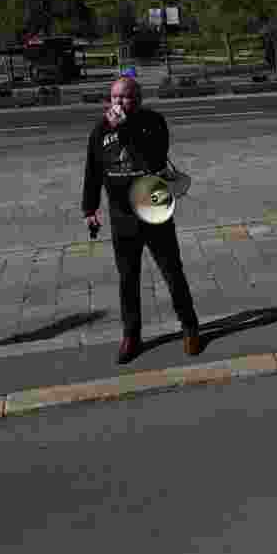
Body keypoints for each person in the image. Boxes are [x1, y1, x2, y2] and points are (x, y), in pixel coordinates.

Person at [82, 76, 202, 364]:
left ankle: (190, 327)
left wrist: (125, 130)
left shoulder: (153, 123)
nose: (118, 103)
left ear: (138, 98)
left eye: (124, 97)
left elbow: (153, 161)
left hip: (154, 209)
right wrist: (90, 208)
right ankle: (131, 335)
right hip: (122, 215)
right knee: (128, 279)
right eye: (113, 97)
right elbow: (93, 169)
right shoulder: (100, 131)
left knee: (172, 272)